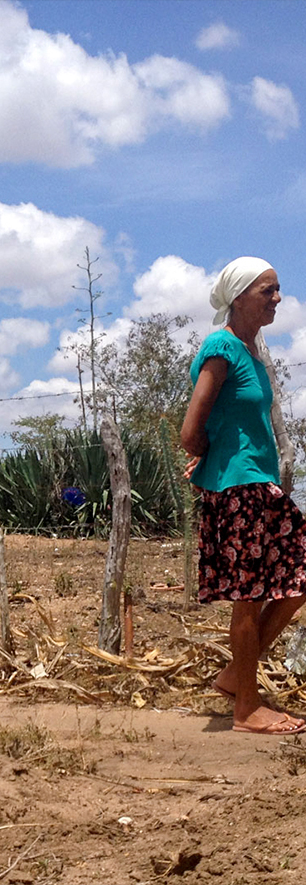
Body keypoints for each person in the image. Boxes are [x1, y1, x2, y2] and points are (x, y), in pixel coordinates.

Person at [181, 256, 306, 735]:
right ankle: (247, 708)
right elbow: (192, 428)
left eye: (278, 289)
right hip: (240, 488)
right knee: (251, 596)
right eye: (267, 291)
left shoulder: (252, 354)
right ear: (239, 298)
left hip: (257, 484)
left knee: (294, 579)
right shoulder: (222, 347)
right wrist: (208, 458)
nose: (277, 298)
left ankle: (237, 676)